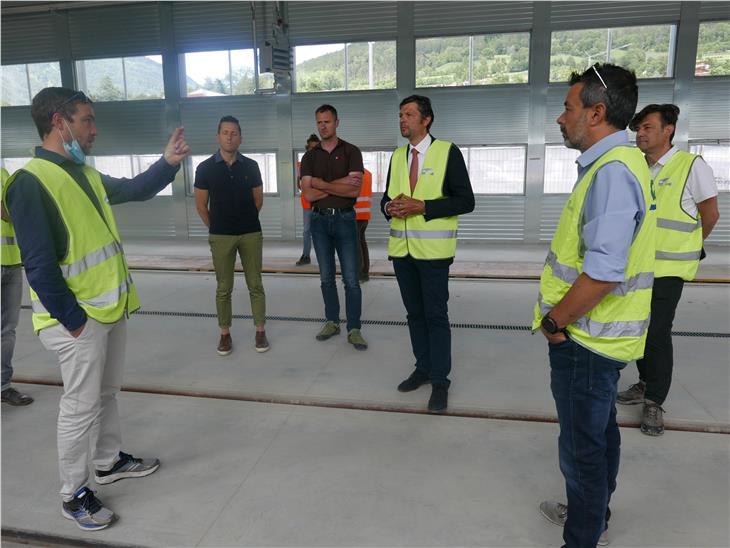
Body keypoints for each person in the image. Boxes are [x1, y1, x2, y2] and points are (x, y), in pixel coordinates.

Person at [3, 87, 190, 531]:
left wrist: (168, 162)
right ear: (58, 122)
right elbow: (38, 265)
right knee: (80, 406)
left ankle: (108, 461)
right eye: (86, 120)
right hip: (78, 320)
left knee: (105, 396)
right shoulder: (31, 182)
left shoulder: (82, 173)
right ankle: (73, 493)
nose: (94, 129)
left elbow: (133, 189)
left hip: (107, 307)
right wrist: (74, 322)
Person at [533, 64, 655, 548]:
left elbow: (604, 271)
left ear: (597, 112)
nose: (561, 119)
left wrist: (554, 321)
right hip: (598, 338)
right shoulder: (619, 166)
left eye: (568, 108)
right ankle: (593, 514)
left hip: (586, 338)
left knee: (581, 447)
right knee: (599, 435)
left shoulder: (612, 173)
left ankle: (580, 536)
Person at [618, 104, 720, 435]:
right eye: (638, 129)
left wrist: (691, 246)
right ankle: (645, 382)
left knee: (658, 332)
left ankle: (654, 402)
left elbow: (711, 214)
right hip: (636, 268)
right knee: (638, 327)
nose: (641, 134)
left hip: (669, 269)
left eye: (648, 127)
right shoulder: (637, 166)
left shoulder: (691, 166)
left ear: (668, 129)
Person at [381, 95, 474, 412]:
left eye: (408, 114)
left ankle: (440, 381)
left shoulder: (447, 152)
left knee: (436, 316)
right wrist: (388, 207)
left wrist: (422, 206)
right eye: (400, 114)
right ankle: (422, 369)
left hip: (433, 254)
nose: (402, 119)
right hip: (402, 252)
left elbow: (465, 201)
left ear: (426, 119)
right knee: (414, 315)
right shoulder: (396, 156)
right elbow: (385, 199)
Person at [194, 116, 269, 356]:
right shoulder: (204, 169)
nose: (229, 136)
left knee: (255, 284)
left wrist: (243, 221)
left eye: (234, 133)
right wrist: (217, 228)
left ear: (240, 137)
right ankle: (225, 334)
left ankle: (260, 330)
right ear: (218, 136)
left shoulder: (251, 166)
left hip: (250, 233)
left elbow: (258, 200)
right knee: (223, 288)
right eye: (225, 132)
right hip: (221, 236)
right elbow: (201, 206)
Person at [300, 104, 368, 351]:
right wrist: (335, 184)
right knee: (326, 277)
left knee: (351, 278)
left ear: (337, 122)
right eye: (319, 122)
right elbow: (307, 193)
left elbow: (354, 189)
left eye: (327, 121)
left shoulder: (351, 152)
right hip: (319, 221)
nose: (322, 126)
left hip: (345, 219)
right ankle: (331, 321)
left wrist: (321, 183)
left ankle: (354, 328)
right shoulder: (310, 156)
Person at [1, 166, 34, 406]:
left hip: (11, 262)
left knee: (7, 330)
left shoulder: (3, 173)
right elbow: (6, 211)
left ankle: (3, 385)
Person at [295, 134, 320, 266]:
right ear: (307, 148)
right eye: (311, 147)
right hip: (307, 204)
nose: (313, 150)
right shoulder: (302, 164)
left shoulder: (324, 163)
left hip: (321, 203)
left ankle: (326, 257)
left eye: (316, 147)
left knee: (323, 230)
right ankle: (306, 256)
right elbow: (298, 184)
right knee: (307, 230)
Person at [355, 168, 373, 282]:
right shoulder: (368, 173)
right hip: (365, 214)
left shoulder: (354, 174)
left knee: (356, 246)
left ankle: (359, 274)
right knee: (362, 243)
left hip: (355, 214)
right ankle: (365, 272)